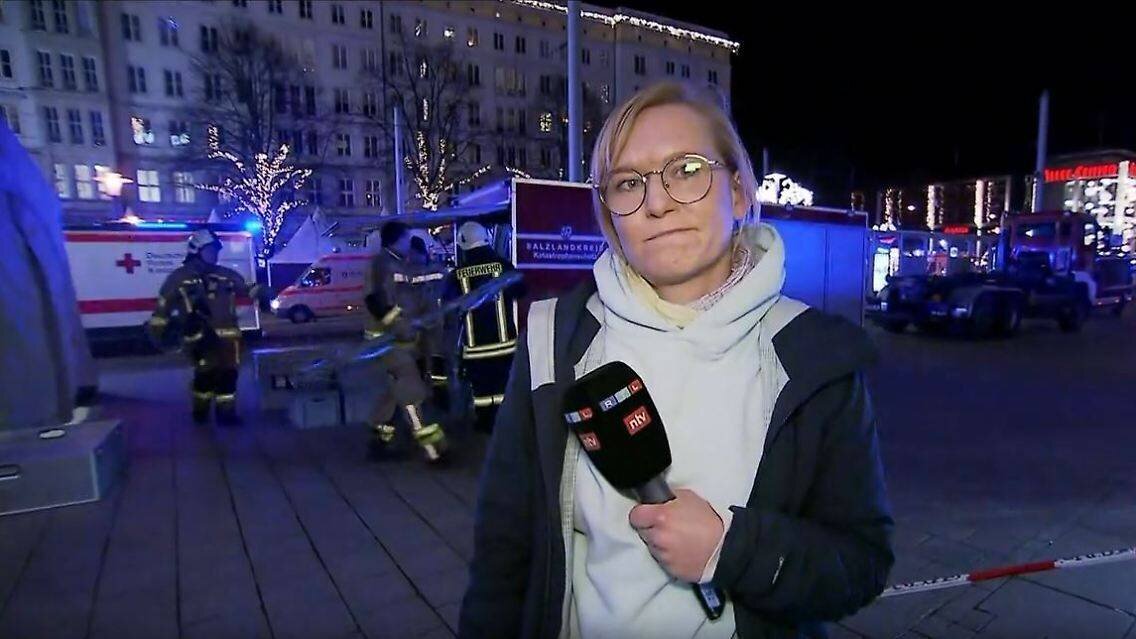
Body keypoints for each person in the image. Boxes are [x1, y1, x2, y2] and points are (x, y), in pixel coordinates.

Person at [460, 82, 894, 638]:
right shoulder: (552, 341)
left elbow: (860, 563)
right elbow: (503, 550)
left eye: (686, 169)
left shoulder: (816, 359)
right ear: (610, 214)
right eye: (628, 183)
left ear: (737, 191)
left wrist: (731, 549)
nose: (657, 202)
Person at [146, 229, 261, 426]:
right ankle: (200, 411)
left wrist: (262, 292)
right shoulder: (179, 278)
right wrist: (158, 336)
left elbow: (247, 288)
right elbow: (162, 309)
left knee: (228, 376)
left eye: (216, 251)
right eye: (210, 250)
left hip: (229, 340)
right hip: (200, 338)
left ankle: (226, 414)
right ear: (196, 250)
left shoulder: (226, 275)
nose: (214, 255)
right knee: (205, 377)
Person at [364, 221, 449, 463]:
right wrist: (399, 325)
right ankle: (435, 449)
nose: (409, 243)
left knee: (394, 392)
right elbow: (376, 301)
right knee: (411, 391)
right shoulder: (381, 264)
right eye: (406, 239)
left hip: (402, 340)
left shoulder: (397, 263)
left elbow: (408, 297)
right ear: (396, 240)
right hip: (387, 341)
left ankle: (379, 438)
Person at [443, 221, 525, 432]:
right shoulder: (504, 266)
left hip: (475, 348)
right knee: (503, 386)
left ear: (463, 243)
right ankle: (504, 422)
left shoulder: (455, 275)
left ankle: (484, 422)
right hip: (505, 344)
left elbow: (449, 308)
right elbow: (521, 290)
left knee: (481, 391)